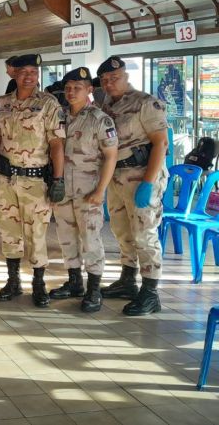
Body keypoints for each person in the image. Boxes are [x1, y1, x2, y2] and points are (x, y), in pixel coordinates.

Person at [98, 56, 169, 316]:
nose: (109, 83)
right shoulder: (107, 104)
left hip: (141, 175)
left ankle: (150, 292)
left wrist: (148, 183)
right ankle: (128, 280)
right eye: (105, 80)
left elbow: (161, 144)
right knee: (121, 230)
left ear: (126, 76)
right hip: (117, 177)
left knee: (145, 233)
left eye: (114, 78)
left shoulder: (146, 103)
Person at [0, 54, 65, 307]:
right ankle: (13, 282)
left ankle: (38, 283)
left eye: (34, 72)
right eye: (24, 71)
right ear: (13, 73)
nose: (29, 76)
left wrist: (58, 178)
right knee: (8, 232)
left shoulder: (48, 103)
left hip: (35, 181)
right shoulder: (1, 103)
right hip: (5, 179)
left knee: (36, 234)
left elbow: (57, 143)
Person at [50, 67, 118, 313]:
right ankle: (74, 282)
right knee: (66, 238)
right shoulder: (59, 116)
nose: (71, 92)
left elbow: (111, 156)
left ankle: (94, 289)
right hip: (62, 190)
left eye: (77, 88)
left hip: (88, 189)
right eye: (68, 88)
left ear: (89, 90)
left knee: (91, 240)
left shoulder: (100, 120)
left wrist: (101, 190)